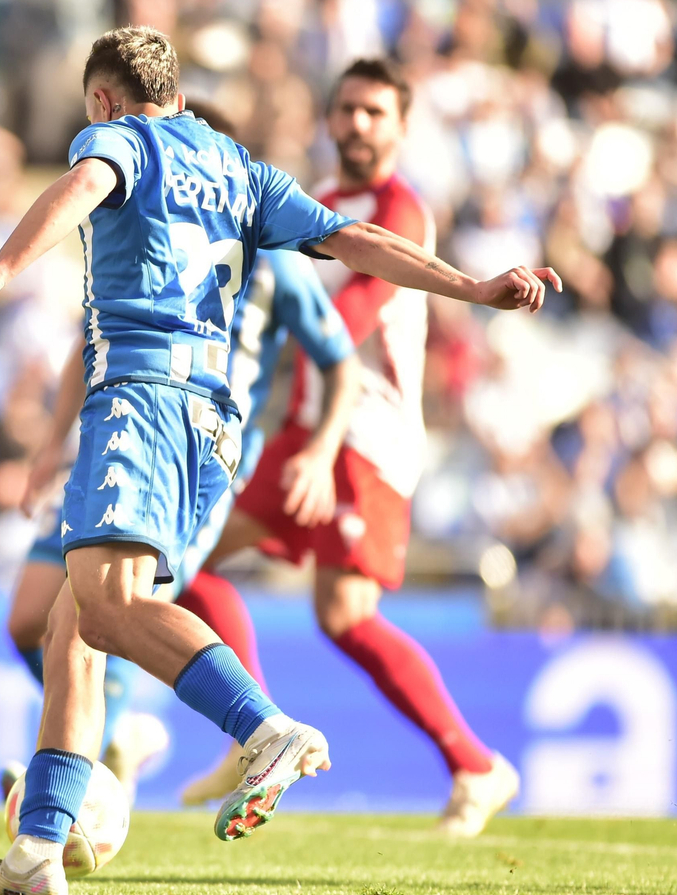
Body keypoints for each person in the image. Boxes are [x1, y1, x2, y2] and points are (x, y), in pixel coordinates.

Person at [0, 27, 558, 895]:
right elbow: (354, 238)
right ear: (180, 96)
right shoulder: (240, 168)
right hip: (211, 426)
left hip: (140, 397)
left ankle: (263, 729)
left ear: (104, 101)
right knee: (75, 626)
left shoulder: (120, 140)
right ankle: (39, 843)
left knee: (108, 604)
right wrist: (473, 288)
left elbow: (86, 184)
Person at [181, 58, 522, 838]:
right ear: (329, 119)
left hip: (364, 436)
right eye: (347, 109)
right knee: (186, 560)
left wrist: (314, 431)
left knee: (345, 614)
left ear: (401, 126)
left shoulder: (401, 210)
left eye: (375, 111)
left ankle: (476, 764)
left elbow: (345, 325)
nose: (358, 123)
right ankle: (253, 731)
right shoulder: (318, 205)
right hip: (304, 431)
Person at [7, 197, 362, 795]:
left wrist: (321, 451)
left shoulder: (276, 259)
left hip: (198, 455)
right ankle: (113, 739)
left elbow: (340, 360)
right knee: (30, 618)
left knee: (108, 609)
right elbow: (89, 341)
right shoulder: (153, 231)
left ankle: (85, 784)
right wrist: (51, 445)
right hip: (114, 435)